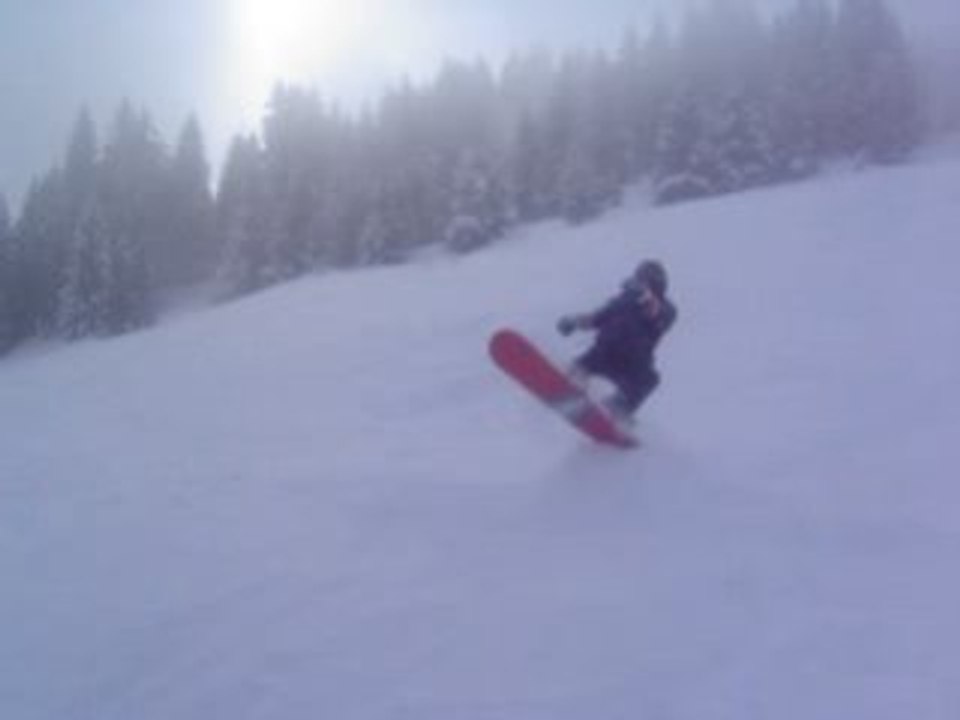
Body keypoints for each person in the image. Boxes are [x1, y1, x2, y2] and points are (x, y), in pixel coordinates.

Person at [557, 259, 677, 422]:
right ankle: (572, 386)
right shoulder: (622, 301)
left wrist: (646, 299)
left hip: (633, 363)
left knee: (649, 378)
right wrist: (573, 322)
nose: (642, 285)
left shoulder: (665, 309)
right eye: (640, 279)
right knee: (583, 365)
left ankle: (617, 409)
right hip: (605, 352)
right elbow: (596, 318)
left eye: (648, 282)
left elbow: (659, 315)